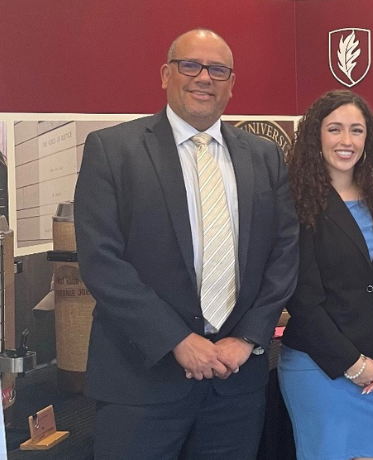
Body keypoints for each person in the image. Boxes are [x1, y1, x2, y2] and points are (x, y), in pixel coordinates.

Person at [74, 29, 299, 459]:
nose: (204, 78)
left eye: (218, 70)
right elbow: (101, 260)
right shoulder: (112, 150)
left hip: (235, 383)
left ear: (232, 84)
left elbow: (284, 253)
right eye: (190, 65)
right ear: (165, 74)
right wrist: (177, 339)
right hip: (140, 380)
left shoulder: (265, 156)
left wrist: (249, 338)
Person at [278, 89, 373, 460]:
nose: (346, 141)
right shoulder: (295, 201)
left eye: (356, 130)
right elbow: (303, 298)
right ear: (315, 136)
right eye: (335, 129)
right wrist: (352, 364)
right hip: (320, 368)